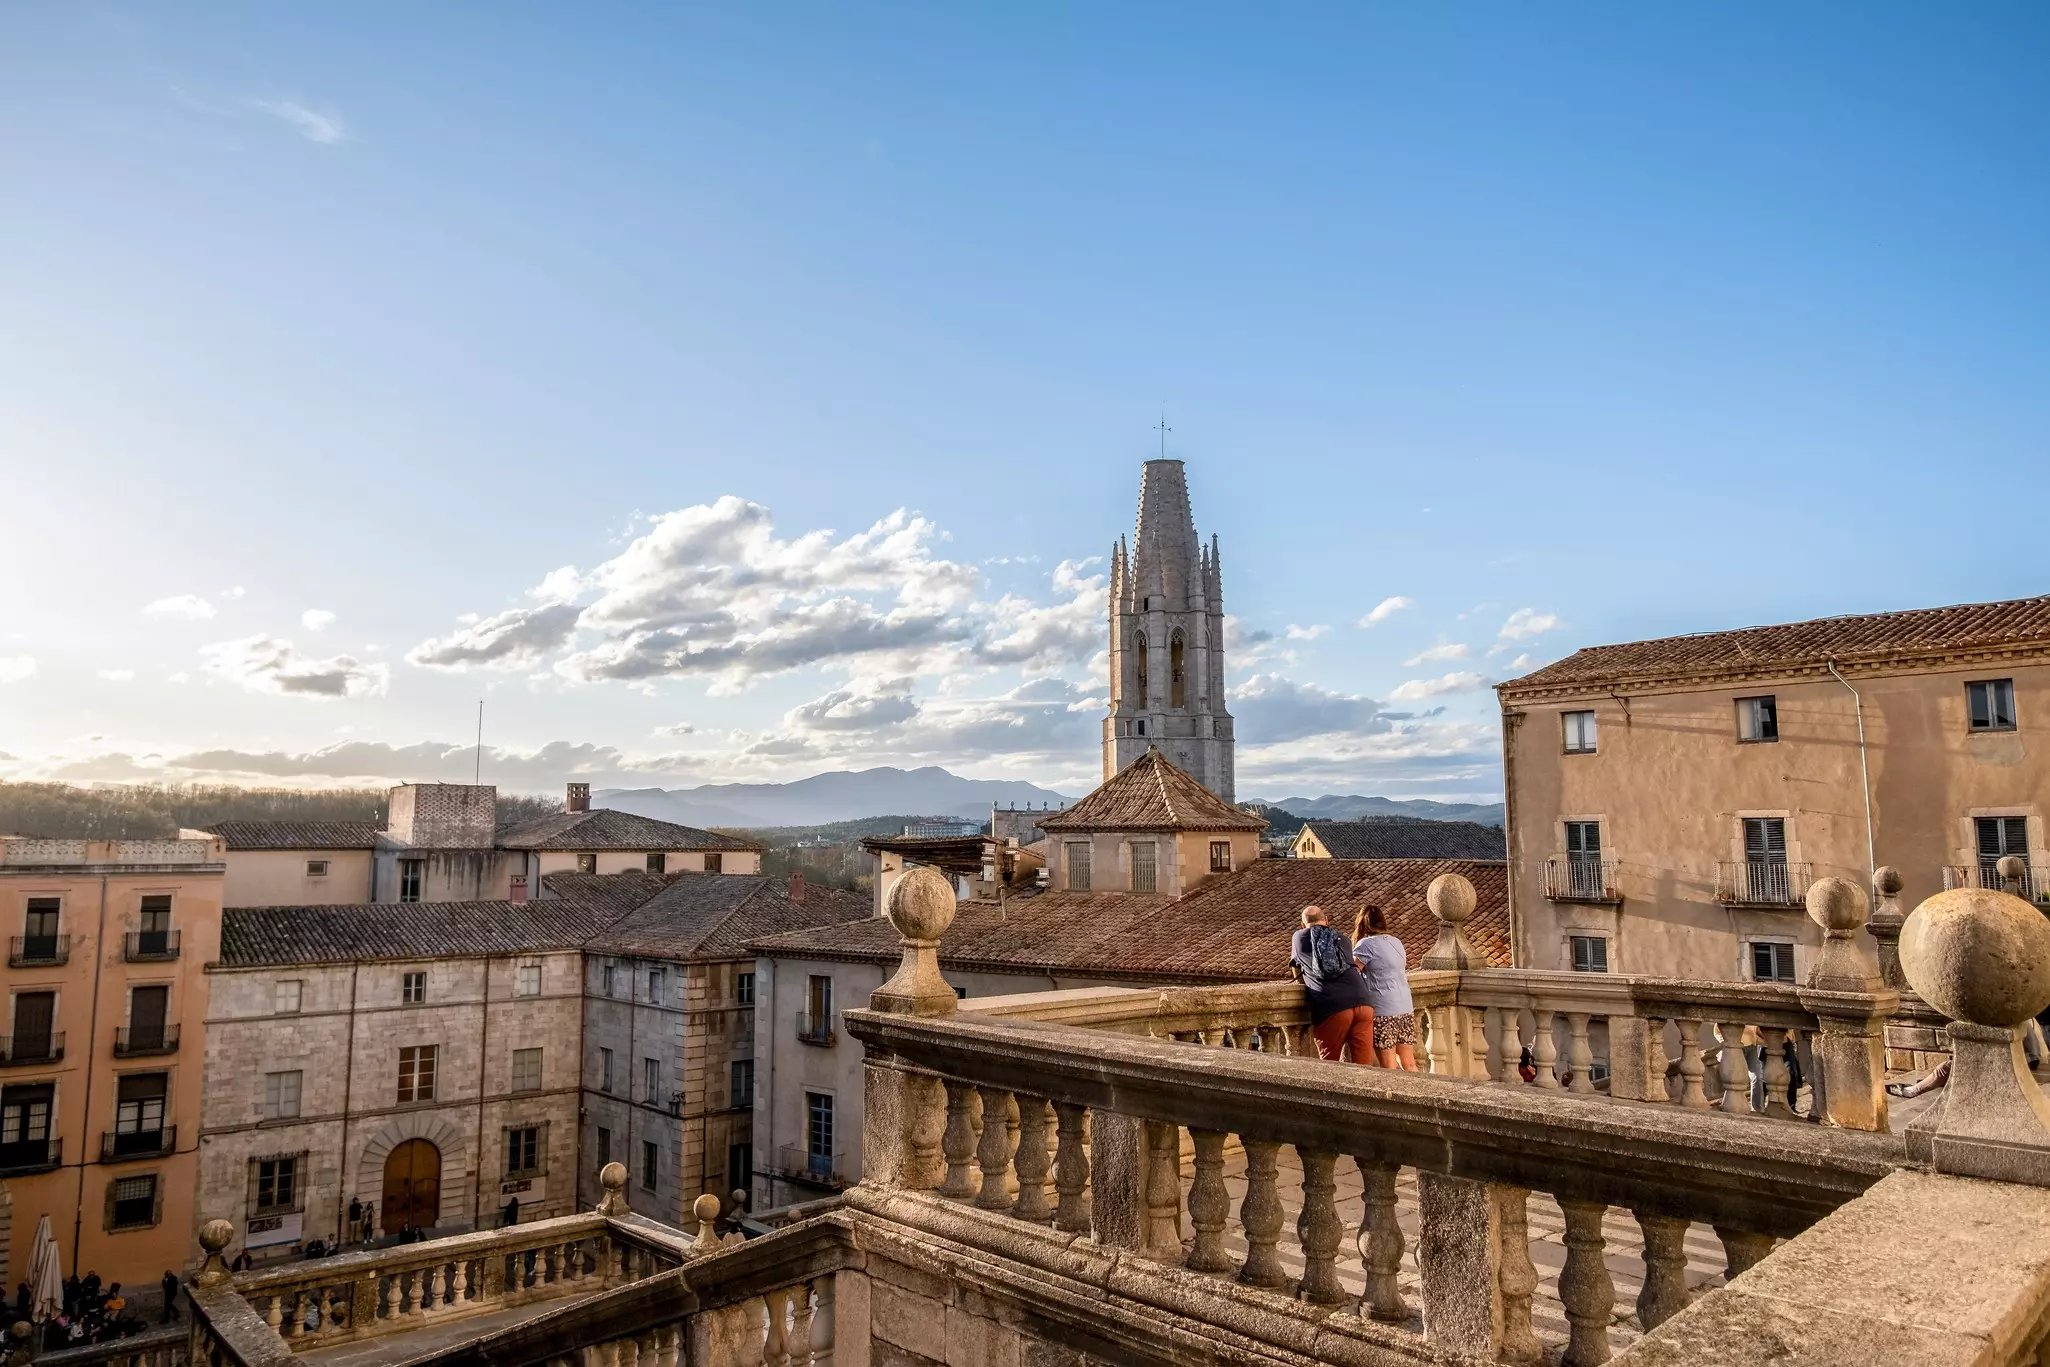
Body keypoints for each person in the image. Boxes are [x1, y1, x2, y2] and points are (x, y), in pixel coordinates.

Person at [1288, 905, 1375, 1063]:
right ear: (1326, 921)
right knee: (1365, 1067)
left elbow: (1296, 967)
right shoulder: (1343, 939)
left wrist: (1303, 984)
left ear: (1302, 925)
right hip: (1363, 1002)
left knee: (1330, 1065)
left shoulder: (1299, 937)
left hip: (1332, 1005)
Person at [1350, 906, 1419, 1070]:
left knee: (1388, 1065)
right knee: (1409, 1063)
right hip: (1405, 1008)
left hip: (1384, 1010)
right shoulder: (1396, 942)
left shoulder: (1365, 945)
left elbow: (1352, 974)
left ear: (1362, 924)